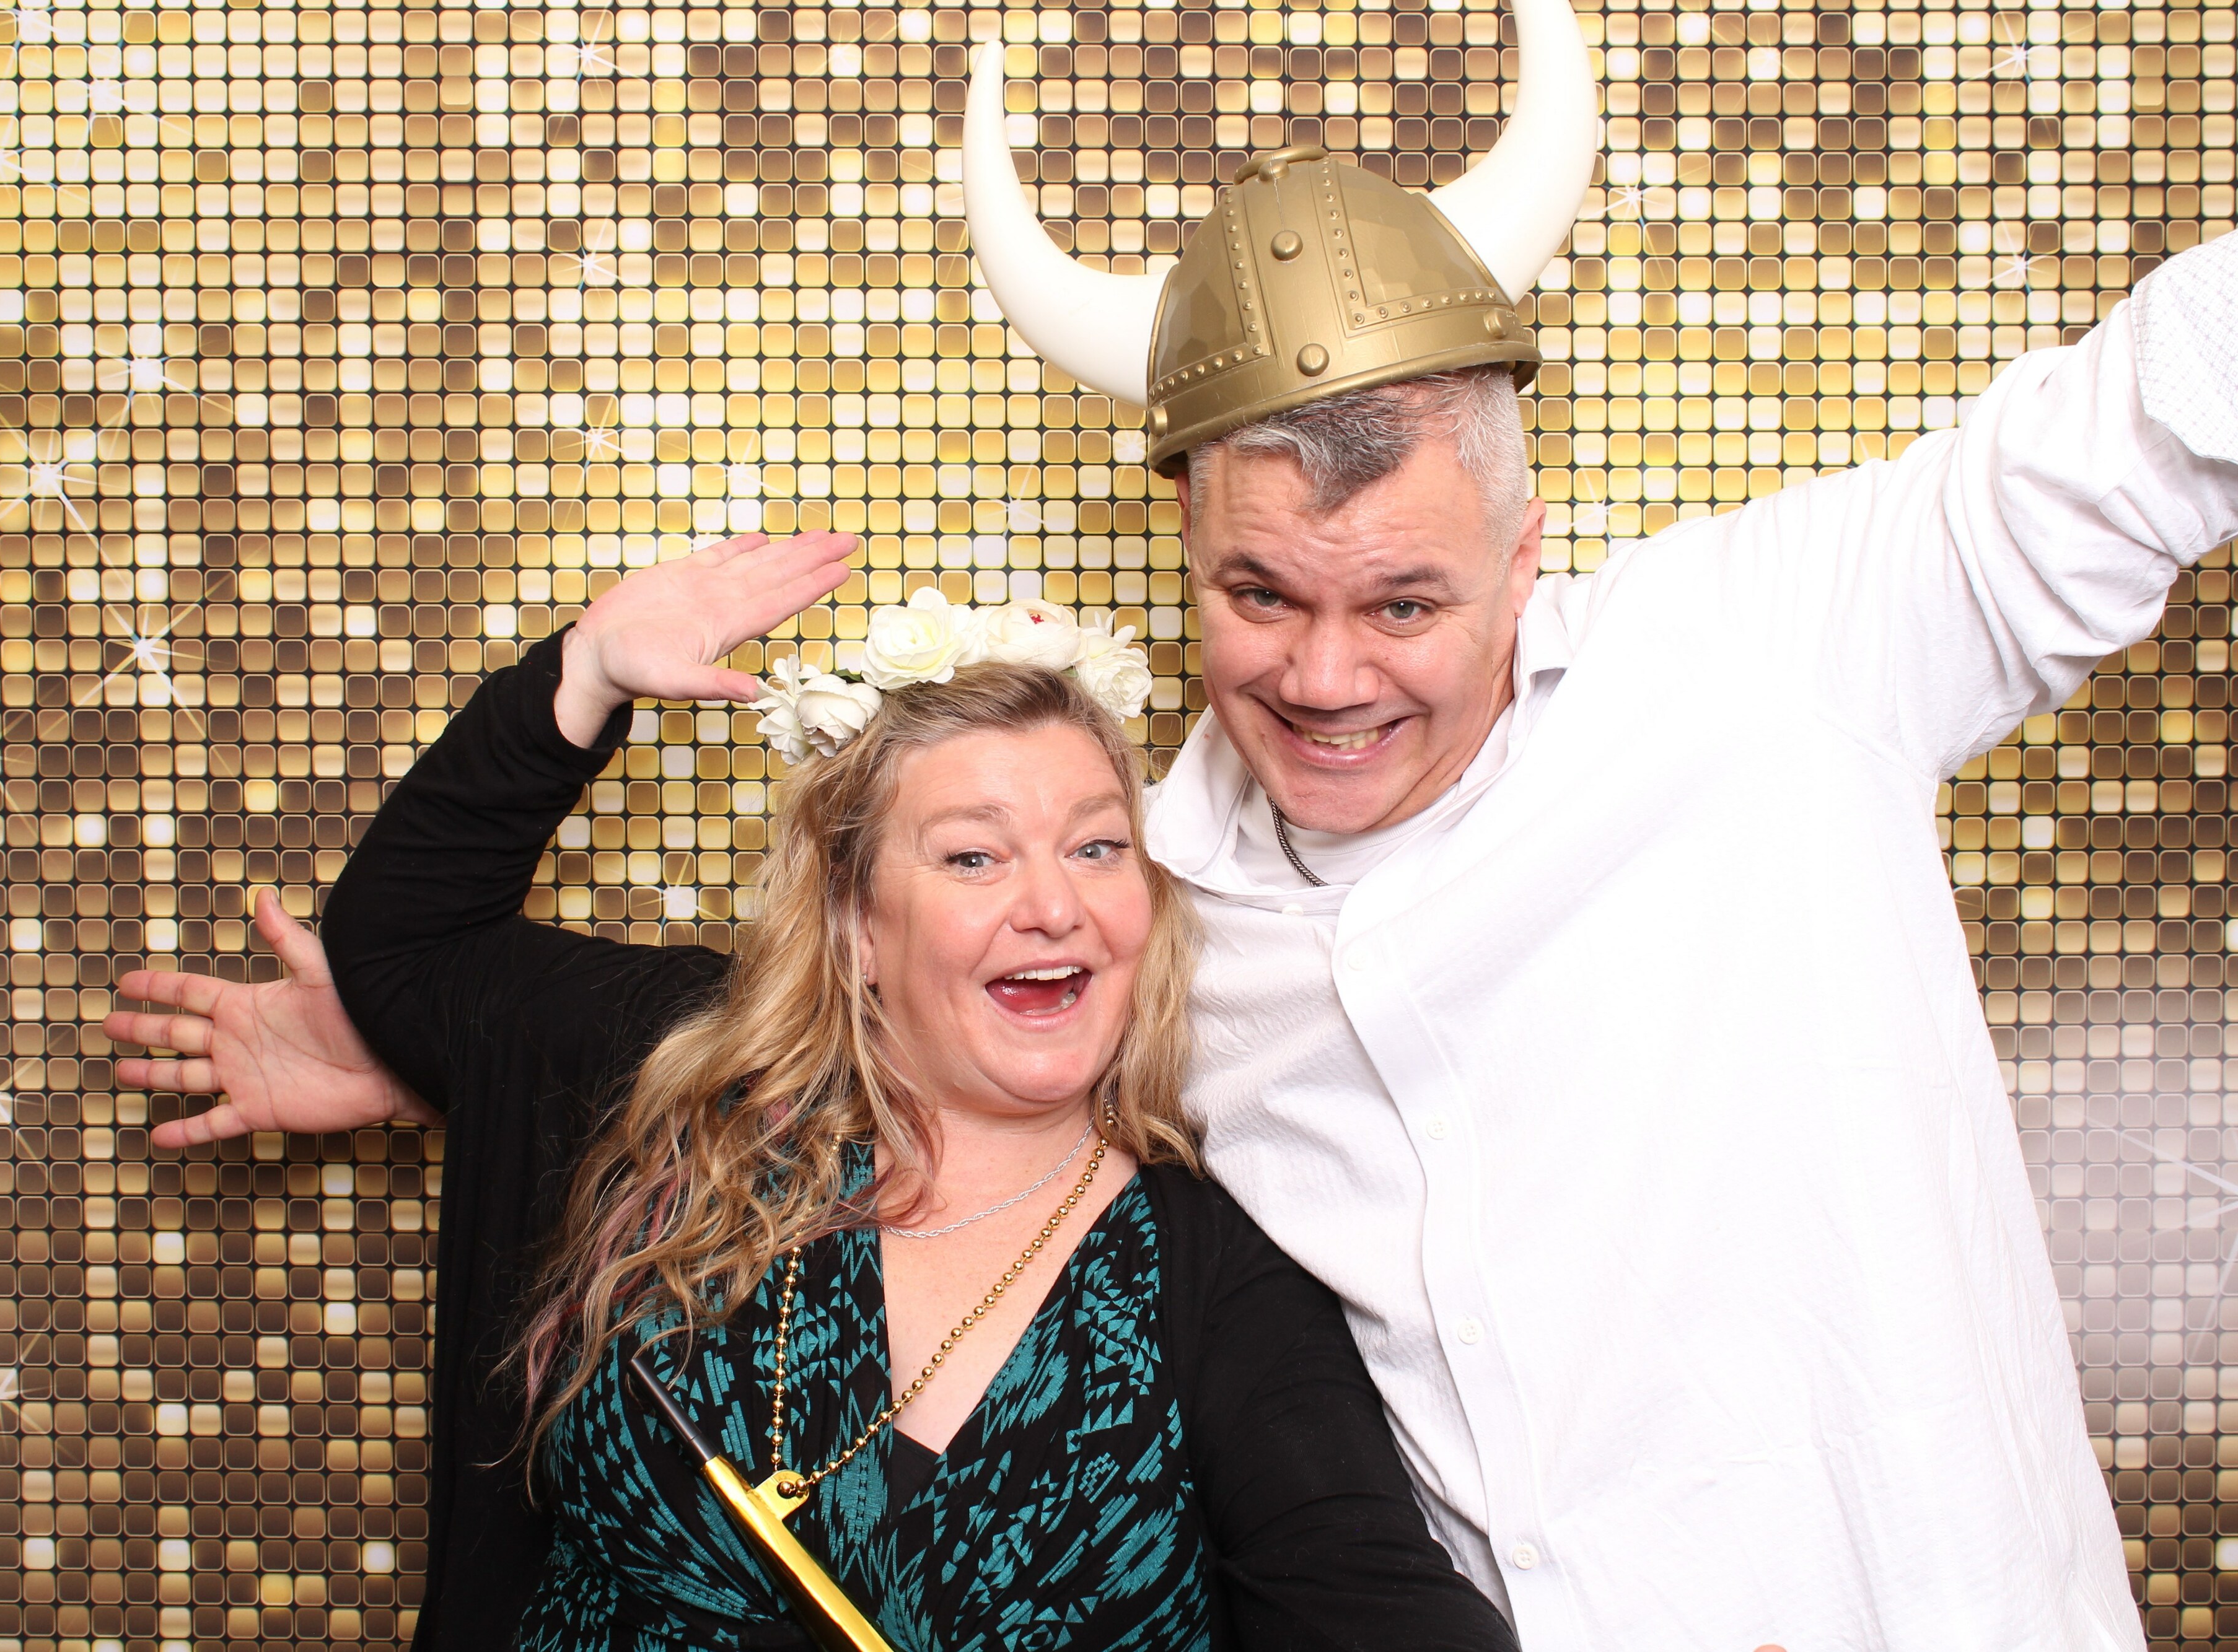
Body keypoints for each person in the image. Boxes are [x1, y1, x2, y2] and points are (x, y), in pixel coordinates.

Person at [955, 0, 2238, 1641]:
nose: (1324, 678)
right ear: (1190, 557)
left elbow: (2150, 408)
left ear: (1521, 557)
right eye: (1258, 594)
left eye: (1404, 603)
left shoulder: (1765, 653)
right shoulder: (1140, 917)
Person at [107, 530, 1519, 1651]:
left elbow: (1370, 1592)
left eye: (1097, 848)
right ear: (856, 922)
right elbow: (405, 943)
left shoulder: (1217, 1276)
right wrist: (589, 668)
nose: (1053, 905)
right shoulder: (682, 1077)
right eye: (973, 856)